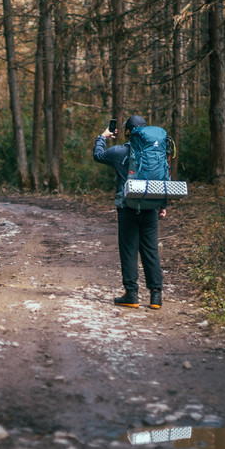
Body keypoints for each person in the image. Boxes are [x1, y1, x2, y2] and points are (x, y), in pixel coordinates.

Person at [92, 115, 165, 309]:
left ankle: (131, 295)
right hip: (150, 208)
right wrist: (163, 205)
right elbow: (163, 177)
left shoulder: (119, 152)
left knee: (129, 250)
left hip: (128, 209)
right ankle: (155, 297)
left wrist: (103, 136)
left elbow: (97, 155)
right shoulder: (155, 152)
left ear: (128, 132)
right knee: (151, 251)